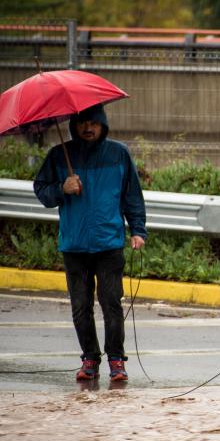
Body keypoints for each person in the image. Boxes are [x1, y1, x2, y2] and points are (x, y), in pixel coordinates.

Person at [33, 103, 147, 385]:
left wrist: (138, 230)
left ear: (103, 124)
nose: (88, 128)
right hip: (74, 245)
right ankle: (90, 358)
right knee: (81, 306)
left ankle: (116, 360)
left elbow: (132, 194)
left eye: (93, 123)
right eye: (82, 123)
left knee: (111, 304)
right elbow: (41, 190)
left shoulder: (119, 154)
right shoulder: (59, 155)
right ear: (73, 125)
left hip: (109, 243)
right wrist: (63, 188)